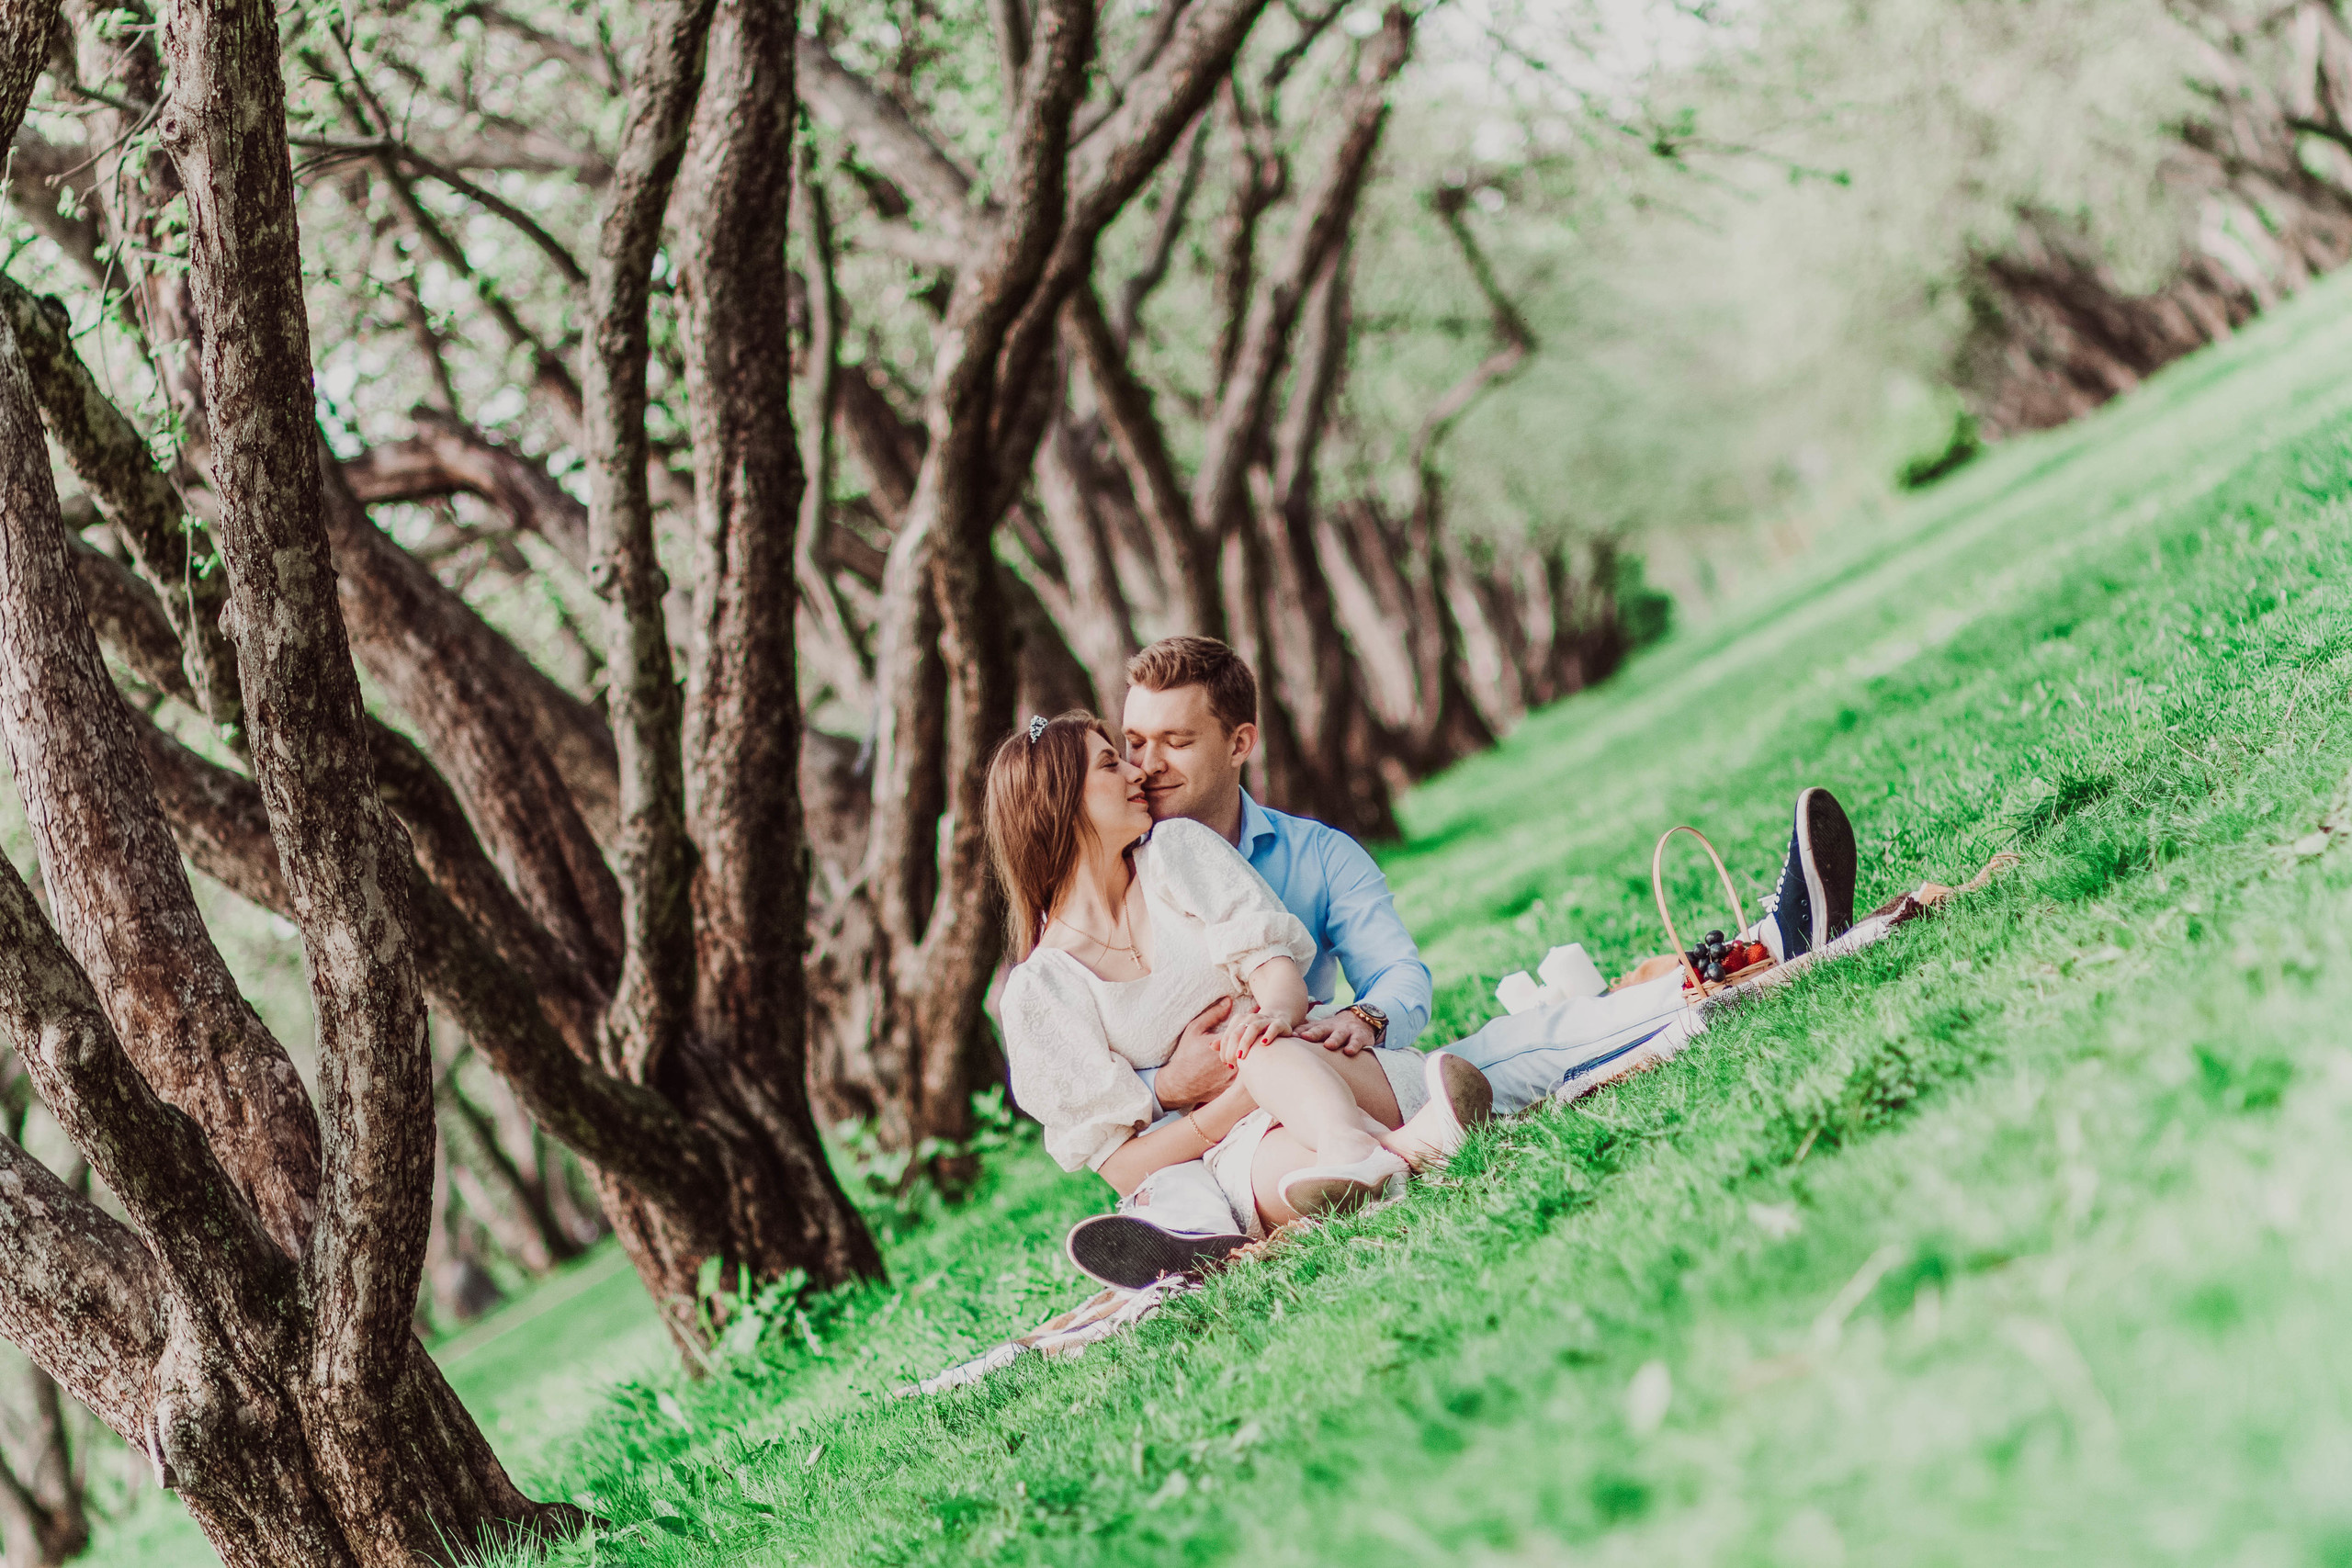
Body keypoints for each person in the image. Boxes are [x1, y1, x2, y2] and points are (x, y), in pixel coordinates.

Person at [1066, 636, 1861, 1283]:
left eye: (1175, 740)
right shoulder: (1112, 881)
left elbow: (1402, 977)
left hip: (1323, 1075)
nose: (1147, 764)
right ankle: (1190, 1253)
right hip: (1206, 1144)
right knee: (1174, 1191)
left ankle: (1764, 948)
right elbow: (1094, 1093)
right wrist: (1170, 1083)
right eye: (1133, 742)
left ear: (1239, 743)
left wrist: (1366, 1014)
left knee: (1518, 1048)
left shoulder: (1317, 856)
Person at [987, 714, 1496, 1289]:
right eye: (1110, 764)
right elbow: (1121, 1164)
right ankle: (1418, 1144)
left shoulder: (1177, 853)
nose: (1137, 772)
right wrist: (1235, 1101)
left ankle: (1355, 1142)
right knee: (1274, 1173)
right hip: (1236, 1144)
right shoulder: (1040, 992)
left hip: (1320, 1065)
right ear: (1055, 804)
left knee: (1255, 1043)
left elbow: (1274, 970)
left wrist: (1274, 1015)